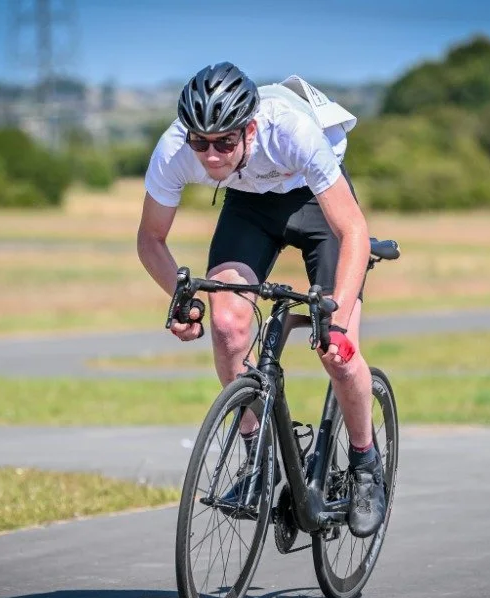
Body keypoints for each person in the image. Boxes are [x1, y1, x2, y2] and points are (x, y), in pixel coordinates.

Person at [136, 62, 385, 537]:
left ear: (250, 128)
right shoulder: (175, 147)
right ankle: (256, 458)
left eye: (225, 143)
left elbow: (353, 230)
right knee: (228, 328)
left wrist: (336, 319)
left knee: (340, 352)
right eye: (201, 143)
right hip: (249, 206)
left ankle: (364, 462)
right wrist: (183, 300)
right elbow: (151, 239)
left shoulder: (290, 131)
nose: (210, 156)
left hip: (314, 200)